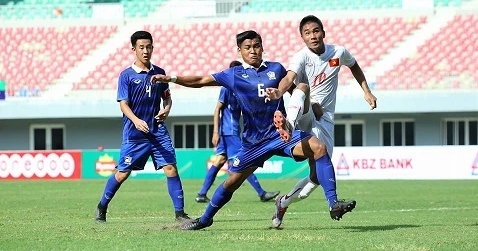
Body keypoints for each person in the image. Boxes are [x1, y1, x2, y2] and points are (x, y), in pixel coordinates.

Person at [150, 30, 356, 230]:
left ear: (262, 47)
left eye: (257, 46)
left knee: (319, 148)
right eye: (247, 47)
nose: (253, 50)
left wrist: (311, 104)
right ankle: (205, 219)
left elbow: (296, 93)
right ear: (239, 51)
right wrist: (172, 79)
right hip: (253, 143)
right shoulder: (233, 75)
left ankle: (333, 203)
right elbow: (201, 81)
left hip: (281, 135)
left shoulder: (276, 69)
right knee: (231, 182)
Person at [265, 15, 377, 228]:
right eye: (307, 33)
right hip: (304, 111)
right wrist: (279, 91)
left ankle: (283, 202)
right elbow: (289, 78)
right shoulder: (301, 57)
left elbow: (354, 66)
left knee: (316, 178)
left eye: (316, 31)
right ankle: (288, 124)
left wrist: (367, 92)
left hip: (324, 118)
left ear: (323, 33)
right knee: (303, 88)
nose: (313, 36)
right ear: (302, 38)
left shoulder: (338, 52)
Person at [94, 31, 190, 224]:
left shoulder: (159, 72)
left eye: (149, 47)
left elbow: (167, 97)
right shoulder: (126, 75)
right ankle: (102, 207)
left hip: (157, 131)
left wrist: (167, 109)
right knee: (122, 174)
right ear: (134, 49)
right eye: (141, 47)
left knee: (171, 168)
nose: (146, 51)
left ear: (153, 48)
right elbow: (123, 104)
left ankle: (180, 214)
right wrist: (136, 120)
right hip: (135, 133)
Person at [195, 60, 280, 204]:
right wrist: (215, 131)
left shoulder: (242, 88)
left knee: (220, 160)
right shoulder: (226, 88)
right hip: (229, 130)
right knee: (243, 161)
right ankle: (261, 193)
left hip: (231, 130)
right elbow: (217, 109)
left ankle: (202, 193)